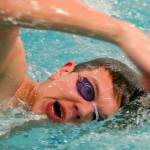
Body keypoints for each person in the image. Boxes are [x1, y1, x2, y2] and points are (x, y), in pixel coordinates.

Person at [0, 0, 149, 123]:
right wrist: (123, 34)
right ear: (63, 71)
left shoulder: (23, 124)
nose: (84, 111)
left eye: (96, 116)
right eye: (88, 90)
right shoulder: (9, 81)